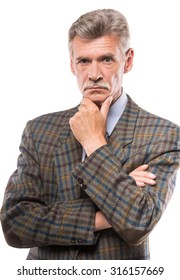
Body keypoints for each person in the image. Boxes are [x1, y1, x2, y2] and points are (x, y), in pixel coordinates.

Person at [1, 9, 180, 260]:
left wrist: (94, 142)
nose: (94, 74)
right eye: (84, 61)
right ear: (71, 64)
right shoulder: (39, 130)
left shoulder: (163, 135)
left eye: (106, 59)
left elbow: (138, 222)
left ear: (127, 61)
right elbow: (14, 225)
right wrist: (108, 210)